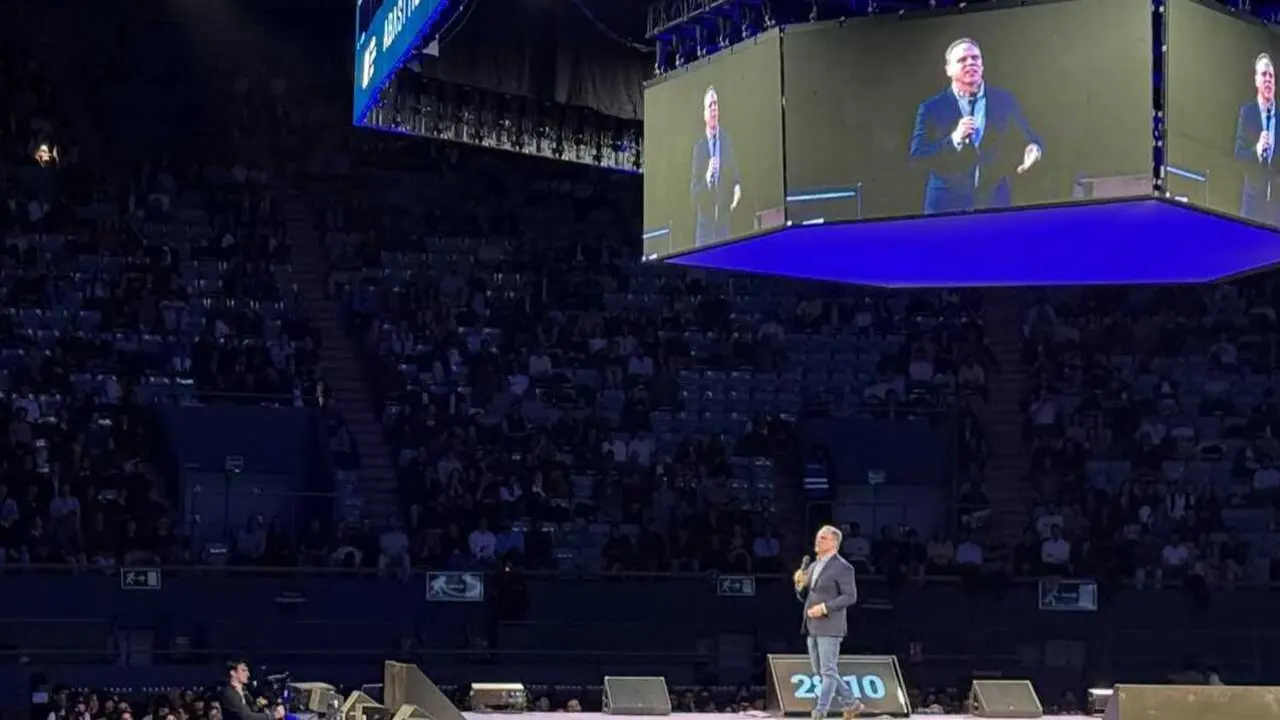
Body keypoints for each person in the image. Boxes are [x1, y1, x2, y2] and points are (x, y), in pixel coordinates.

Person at [909, 38, 1042, 214]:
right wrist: (954, 139)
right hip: (946, 208)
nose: (970, 62)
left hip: (994, 204)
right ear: (948, 70)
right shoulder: (931, 108)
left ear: (982, 65)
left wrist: (1033, 148)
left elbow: (1027, 136)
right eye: (962, 60)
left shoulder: (1004, 100)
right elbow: (918, 158)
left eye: (975, 58)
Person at [793, 525, 864, 719]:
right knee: (822, 672)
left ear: (834, 543)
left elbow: (850, 597)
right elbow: (807, 596)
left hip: (830, 624)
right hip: (811, 624)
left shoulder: (843, 567)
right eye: (818, 537)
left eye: (823, 538)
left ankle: (820, 710)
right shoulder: (814, 565)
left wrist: (824, 608)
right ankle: (851, 703)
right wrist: (800, 587)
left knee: (828, 671)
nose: (818, 541)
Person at [690, 85, 741, 247]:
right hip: (705, 232)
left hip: (724, 228)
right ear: (704, 114)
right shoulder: (698, 149)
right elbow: (694, 194)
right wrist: (706, 178)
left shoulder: (727, 141)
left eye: (716, 104)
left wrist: (737, 186)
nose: (713, 108)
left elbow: (734, 174)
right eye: (710, 105)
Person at [1235, 52, 1280, 226]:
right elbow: (1238, 154)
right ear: (1256, 80)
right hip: (1252, 204)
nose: (1268, 79)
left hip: (1276, 206)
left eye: (1271, 76)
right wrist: (1257, 150)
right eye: (1264, 75)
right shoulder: (1248, 112)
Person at [219, 659, 284, 720]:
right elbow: (247, 717)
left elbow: (255, 707)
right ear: (233, 672)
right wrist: (273, 715)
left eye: (247, 671)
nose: (248, 674)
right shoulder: (229, 693)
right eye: (243, 670)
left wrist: (274, 703)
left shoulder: (246, 691)